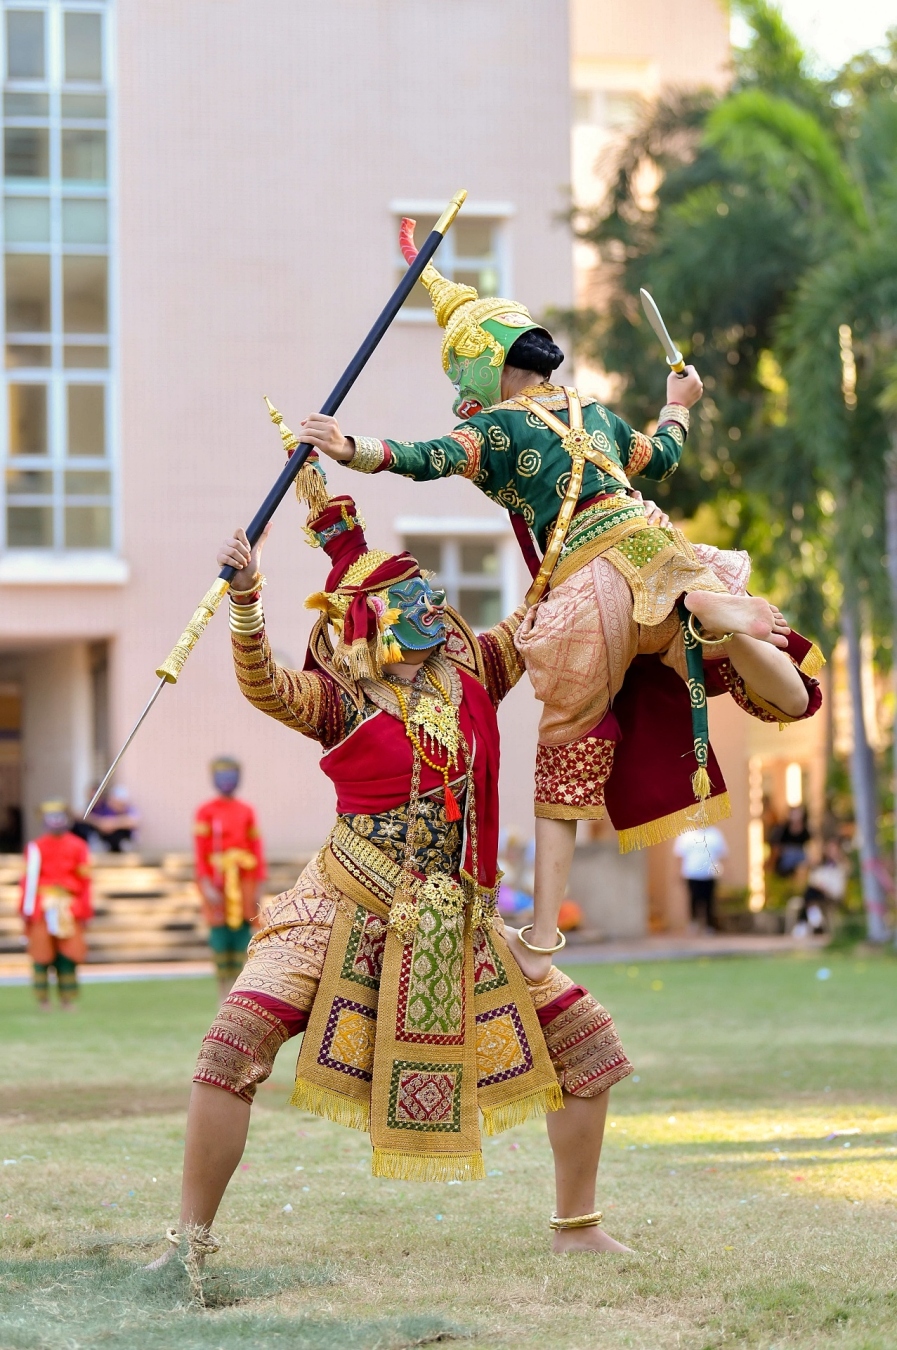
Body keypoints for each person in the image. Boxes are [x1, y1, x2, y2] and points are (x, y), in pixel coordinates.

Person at [301, 218, 825, 983]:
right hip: (655, 549)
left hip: (590, 584)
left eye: (460, 376)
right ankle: (724, 624)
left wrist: (350, 449)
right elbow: (663, 456)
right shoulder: (596, 413)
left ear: (485, 366)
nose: (459, 395)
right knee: (782, 696)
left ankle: (542, 940)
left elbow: (428, 457)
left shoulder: (498, 428)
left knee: (565, 749)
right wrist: (678, 400)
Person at [150, 490, 636, 1275]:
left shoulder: (473, 667)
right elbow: (266, 685)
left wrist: (580, 516)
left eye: (428, 591)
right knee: (231, 1044)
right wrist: (246, 598)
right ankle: (189, 1245)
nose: (432, 605)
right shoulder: (342, 699)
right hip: (340, 899)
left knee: (589, 1043)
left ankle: (576, 1226)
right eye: (411, 597)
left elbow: (537, 605)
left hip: (453, 916)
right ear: (370, 617)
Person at [194, 757, 267, 999]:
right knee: (219, 936)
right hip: (217, 880)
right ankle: (221, 992)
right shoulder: (205, 811)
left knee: (243, 933)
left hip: (244, 880)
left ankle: (239, 992)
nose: (227, 780)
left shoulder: (247, 810)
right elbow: (200, 851)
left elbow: (256, 848)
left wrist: (259, 883)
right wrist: (205, 882)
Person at [18, 801, 93, 1009]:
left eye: (59, 816)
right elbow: (28, 881)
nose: (56, 821)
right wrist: (26, 908)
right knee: (41, 953)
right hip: (42, 906)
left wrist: (84, 909)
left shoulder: (78, 846)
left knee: (69, 954)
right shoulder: (35, 848)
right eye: (51, 817)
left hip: (69, 906)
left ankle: (67, 999)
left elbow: (85, 881)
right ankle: (43, 999)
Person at [673, 826, 728, 932]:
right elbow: (679, 855)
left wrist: (724, 871)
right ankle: (693, 923)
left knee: (709, 900)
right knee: (693, 899)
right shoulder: (686, 834)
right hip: (692, 873)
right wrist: (678, 871)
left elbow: (722, 854)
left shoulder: (715, 834)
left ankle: (709, 925)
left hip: (710, 874)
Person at [77, 783, 140, 853]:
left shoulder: (129, 810)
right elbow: (103, 824)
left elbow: (133, 821)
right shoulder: (105, 809)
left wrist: (112, 824)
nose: (111, 803)